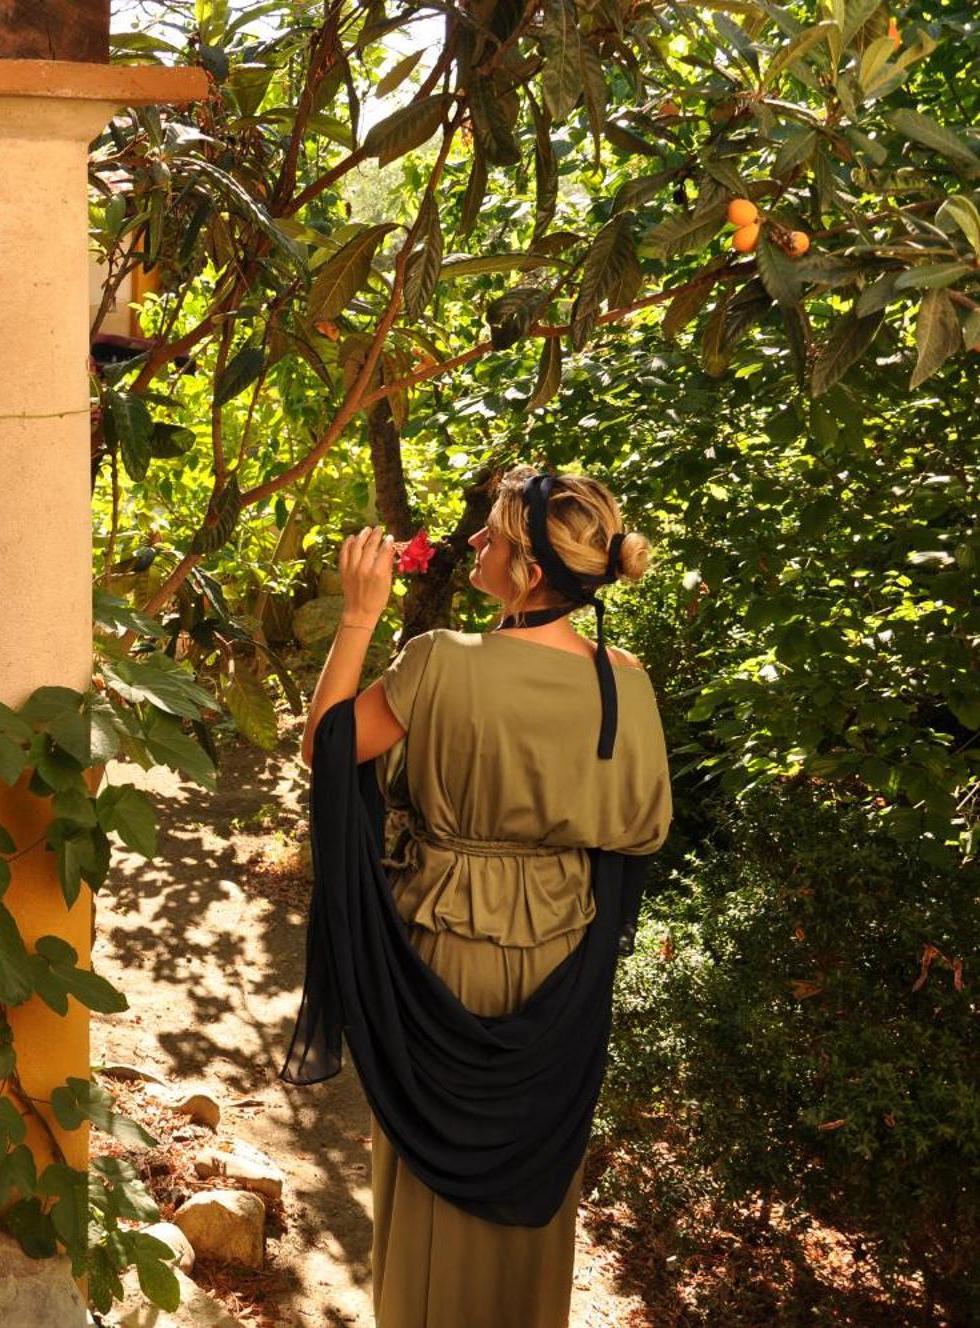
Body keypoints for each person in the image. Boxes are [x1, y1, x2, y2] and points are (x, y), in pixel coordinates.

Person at [285, 466, 674, 1328]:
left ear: (529, 572)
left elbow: (327, 748)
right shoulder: (629, 684)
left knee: (432, 1183)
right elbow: (638, 835)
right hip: (564, 963)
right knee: (534, 1173)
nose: (474, 545)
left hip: (443, 949)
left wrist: (357, 616)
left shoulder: (439, 664)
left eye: (492, 536)